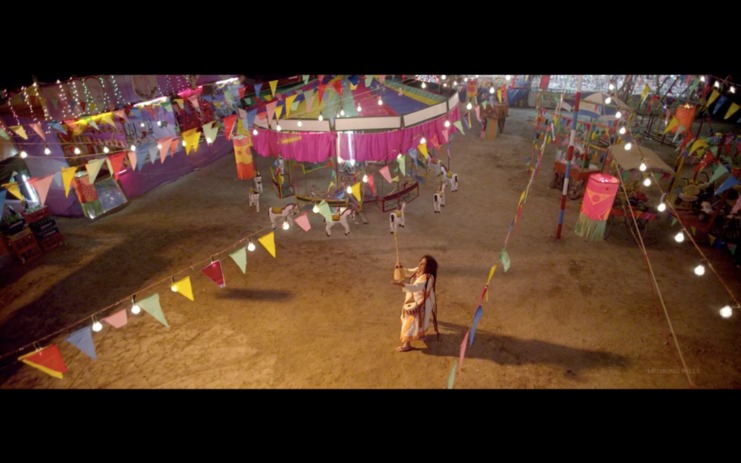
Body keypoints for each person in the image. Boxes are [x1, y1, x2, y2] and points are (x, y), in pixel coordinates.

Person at [391, 255, 438, 352]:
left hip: (421, 303)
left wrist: (402, 284)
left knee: (409, 322)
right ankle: (420, 335)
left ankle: (406, 344)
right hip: (414, 300)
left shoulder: (428, 277)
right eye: (420, 262)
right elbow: (408, 272)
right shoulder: (419, 270)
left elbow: (416, 287)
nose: (420, 265)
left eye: (423, 264)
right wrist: (400, 268)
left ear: (429, 266)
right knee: (419, 321)